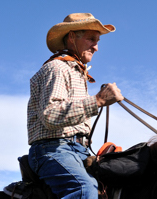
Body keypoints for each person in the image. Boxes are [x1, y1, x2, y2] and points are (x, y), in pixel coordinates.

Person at [27, 13, 124, 199]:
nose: (96, 47)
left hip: (77, 150)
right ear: (72, 37)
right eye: (91, 39)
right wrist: (98, 101)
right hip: (52, 149)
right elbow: (51, 115)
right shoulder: (57, 68)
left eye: (97, 41)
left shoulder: (76, 72)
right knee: (83, 189)